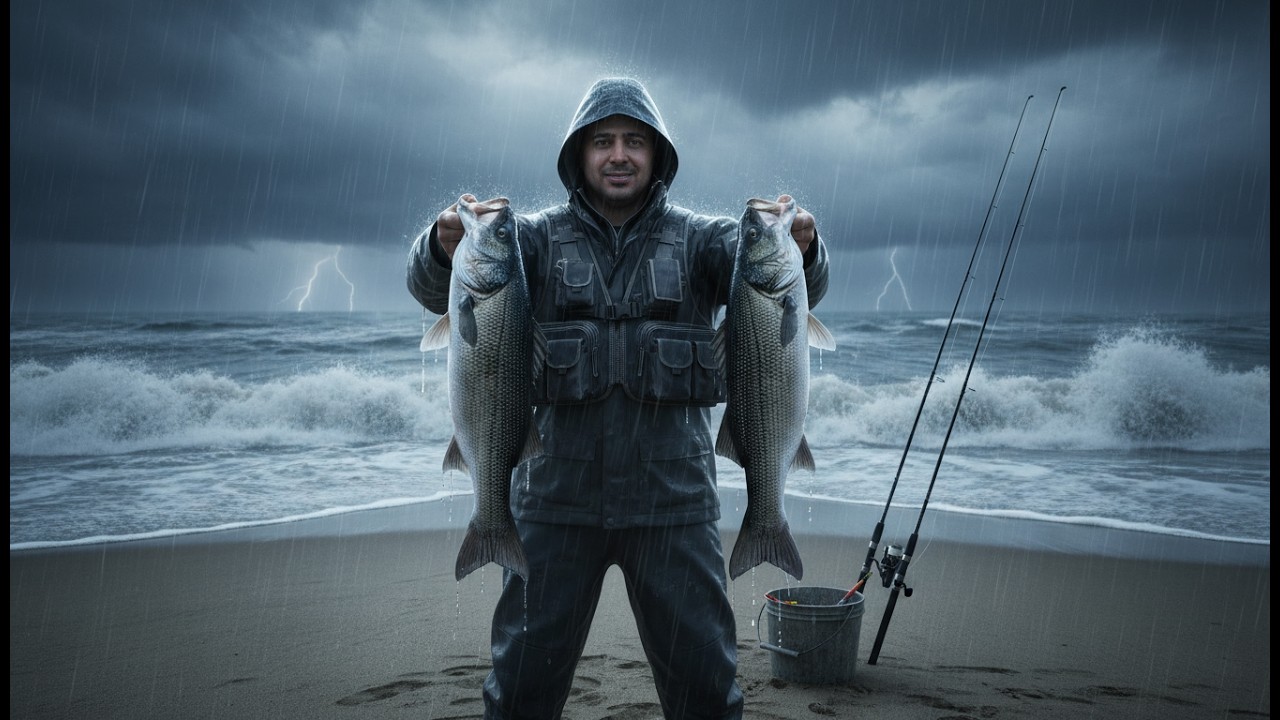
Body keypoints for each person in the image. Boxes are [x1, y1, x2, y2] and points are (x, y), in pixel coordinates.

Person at [406, 77, 830, 719]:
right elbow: (432, 287)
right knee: (519, 689)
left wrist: (806, 248)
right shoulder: (532, 241)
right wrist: (438, 248)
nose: (619, 155)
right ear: (579, 155)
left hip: (674, 503)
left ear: (658, 155)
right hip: (551, 503)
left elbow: (797, 293)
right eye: (602, 141)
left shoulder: (706, 241)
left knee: (707, 691)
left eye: (634, 141)